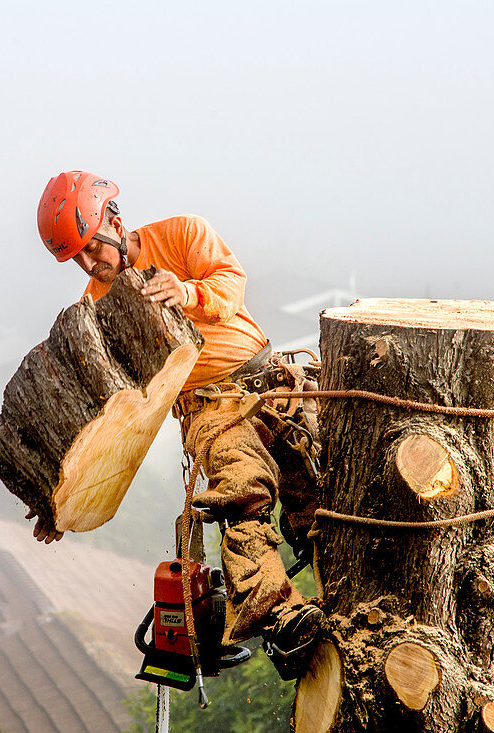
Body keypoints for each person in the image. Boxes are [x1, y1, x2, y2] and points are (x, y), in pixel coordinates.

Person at [33, 170, 322, 676]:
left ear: (115, 222)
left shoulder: (184, 233)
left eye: (91, 248)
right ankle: (280, 616)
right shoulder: (95, 310)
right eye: (75, 258)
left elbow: (230, 285)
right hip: (209, 407)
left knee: (320, 496)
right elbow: (97, 411)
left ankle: (344, 592)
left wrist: (186, 293)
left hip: (273, 380)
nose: (88, 264)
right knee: (242, 488)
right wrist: (57, 499)